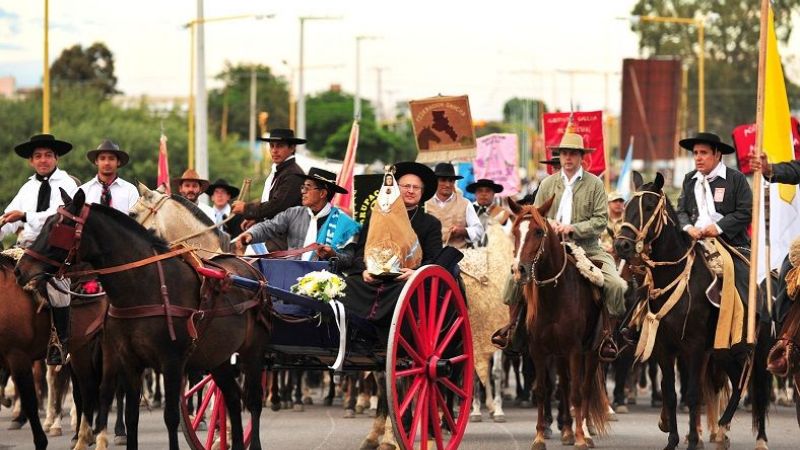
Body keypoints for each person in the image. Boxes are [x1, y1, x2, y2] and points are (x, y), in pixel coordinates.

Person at [495, 123, 627, 359]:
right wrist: (550, 224)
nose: (568, 157)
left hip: (587, 249)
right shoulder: (547, 184)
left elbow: (599, 220)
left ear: (581, 157)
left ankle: (607, 335)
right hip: (549, 247)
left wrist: (572, 228)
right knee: (513, 278)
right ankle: (512, 328)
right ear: (560, 156)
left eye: (573, 153)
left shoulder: (595, 184)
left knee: (616, 285)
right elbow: (537, 216)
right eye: (564, 153)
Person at [1, 134, 78, 365]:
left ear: (56, 158)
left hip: (55, 249)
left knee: (58, 287)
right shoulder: (28, 187)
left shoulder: (67, 184)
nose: (42, 160)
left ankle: (60, 342)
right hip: (25, 247)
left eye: (47, 155)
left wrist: (26, 216)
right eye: (37, 156)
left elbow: (61, 216)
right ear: (31, 161)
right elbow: (9, 217)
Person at [345, 162, 443, 324]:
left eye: (416, 187)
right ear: (396, 188)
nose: (410, 191)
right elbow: (361, 249)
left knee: (403, 294)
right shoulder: (376, 215)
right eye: (405, 186)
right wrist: (363, 271)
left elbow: (433, 258)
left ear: (422, 192)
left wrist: (415, 273)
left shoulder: (430, 223)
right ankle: (356, 337)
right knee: (350, 284)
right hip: (373, 277)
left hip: (406, 279)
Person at [234, 168, 360, 267]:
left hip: (325, 284)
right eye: (302, 187)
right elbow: (269, 227)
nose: (302, 191)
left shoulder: (345, 224)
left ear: (322, 193)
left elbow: (348, 260)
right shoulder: (293, 213)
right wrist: (251, 234)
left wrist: (332, 254)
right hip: (290, 275)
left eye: (308, 187)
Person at [231, 128, 305, 241]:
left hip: (286, 238)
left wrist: (246, 208)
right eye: (272, 146)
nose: (274, 150)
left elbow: (277, 206)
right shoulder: (280, 171)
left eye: (279, 146)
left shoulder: (292, 174)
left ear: (292, 148)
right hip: (276, 233)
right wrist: (257, 218)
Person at [425, 162, 483, 249]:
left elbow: (478, 231)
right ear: (435, 181)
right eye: (443, 180)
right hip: (430, 256)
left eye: (451, 180)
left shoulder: (465, 203)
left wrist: (464, 231)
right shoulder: (425, 204)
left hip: (459, 257)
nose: (447, 184)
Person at [79, 139, 139, 213]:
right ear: (96, 161)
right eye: (102, 158)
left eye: (111, 158)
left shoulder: (130, 191)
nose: (107, 163)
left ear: (118, 162)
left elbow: (135, 222)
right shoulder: (83, 191)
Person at [466, 178, 509, 247]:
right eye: (480, 191)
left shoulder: (502, 213)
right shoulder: (466, 210)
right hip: (470, 252)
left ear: (493, 193)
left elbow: (507, 236)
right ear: (475, 193)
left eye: (488, 191)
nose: (484, 194)